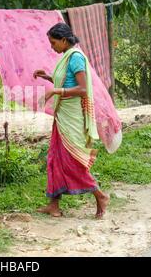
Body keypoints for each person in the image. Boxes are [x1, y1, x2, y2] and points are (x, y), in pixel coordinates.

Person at [33, 22, 110, 219]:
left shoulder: (75, 58)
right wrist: (49, 78)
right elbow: (67, 82)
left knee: (71, 161)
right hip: (62, 117)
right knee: (55, 159)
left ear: (64, 40)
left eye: (53, 42)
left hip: (72, 117)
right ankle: (54, 205)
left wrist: (56, 90)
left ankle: (100, 195)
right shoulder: (67, 57)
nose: (52, 47)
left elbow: (82, 89)